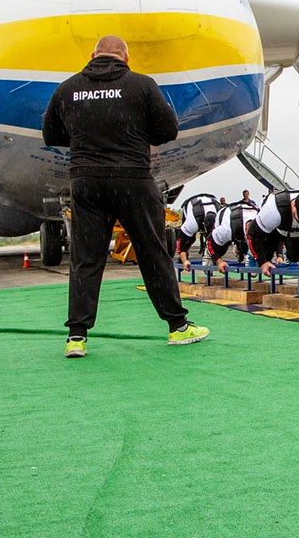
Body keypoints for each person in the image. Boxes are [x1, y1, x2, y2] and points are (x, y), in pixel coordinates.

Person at [41, 35, 207, 358]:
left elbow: (51, 134)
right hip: (133, 179)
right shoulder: (141, 86)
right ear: (126, 59)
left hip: (86, 182)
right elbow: (168, 130)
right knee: (152, 252)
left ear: (92, 56)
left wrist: (85, 137)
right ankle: (177, 327)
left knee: (85, 258)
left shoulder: (68, 89)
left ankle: (77, 337)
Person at [246, 190, 299, 274]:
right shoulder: (273, 211)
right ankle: (251, 256)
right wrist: (262, 262)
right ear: (294, 206)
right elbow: (253, 234)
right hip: (276, 230)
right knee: (266, 255)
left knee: (294, 258)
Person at [206, 202, 260, 272]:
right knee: (220, 250)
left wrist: (279, 255)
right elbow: (210, 240)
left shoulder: (263, 224)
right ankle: (207, 255)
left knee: (258, 246)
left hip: (247, 215)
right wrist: (218, 261)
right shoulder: (227, 229)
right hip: (227, 216)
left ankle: (244, 251)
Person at [175, 193, 219, 269]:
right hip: (192, 204)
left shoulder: (220, 216)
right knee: (190, 238)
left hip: (211, 200)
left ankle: (209, 254)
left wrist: (217, 257)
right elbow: (180, 240)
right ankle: (184, 255)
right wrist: (184, 260)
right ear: (203, 224)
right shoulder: (192, 223)